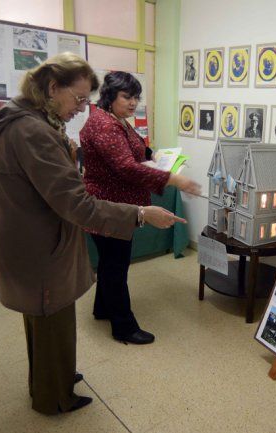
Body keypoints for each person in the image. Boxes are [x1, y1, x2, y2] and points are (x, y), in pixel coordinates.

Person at [0, 53, 184, 415]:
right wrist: (141, 213)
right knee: (51, 317)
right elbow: (78, 204)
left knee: (46, 321)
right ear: (52, 88)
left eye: (87, 100)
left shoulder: (28, 121)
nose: (81, 108)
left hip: (31, 234)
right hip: (38, 242)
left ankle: (54, 376)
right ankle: (53, 398)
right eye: (77, 99)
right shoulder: (33, 131)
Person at [80, 71, 201, 345]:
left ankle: (103, 309)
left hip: (117, 205)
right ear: (110, 96)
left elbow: (135, 148)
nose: (133, 102)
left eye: (136, 97)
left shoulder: (116, 120)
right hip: (109, 207)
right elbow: (124, 166)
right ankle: (123, 327)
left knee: (111, 263)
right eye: (127, 96)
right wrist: (173, 179)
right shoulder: (104, 125)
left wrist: (153, 155)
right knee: (116, 265)